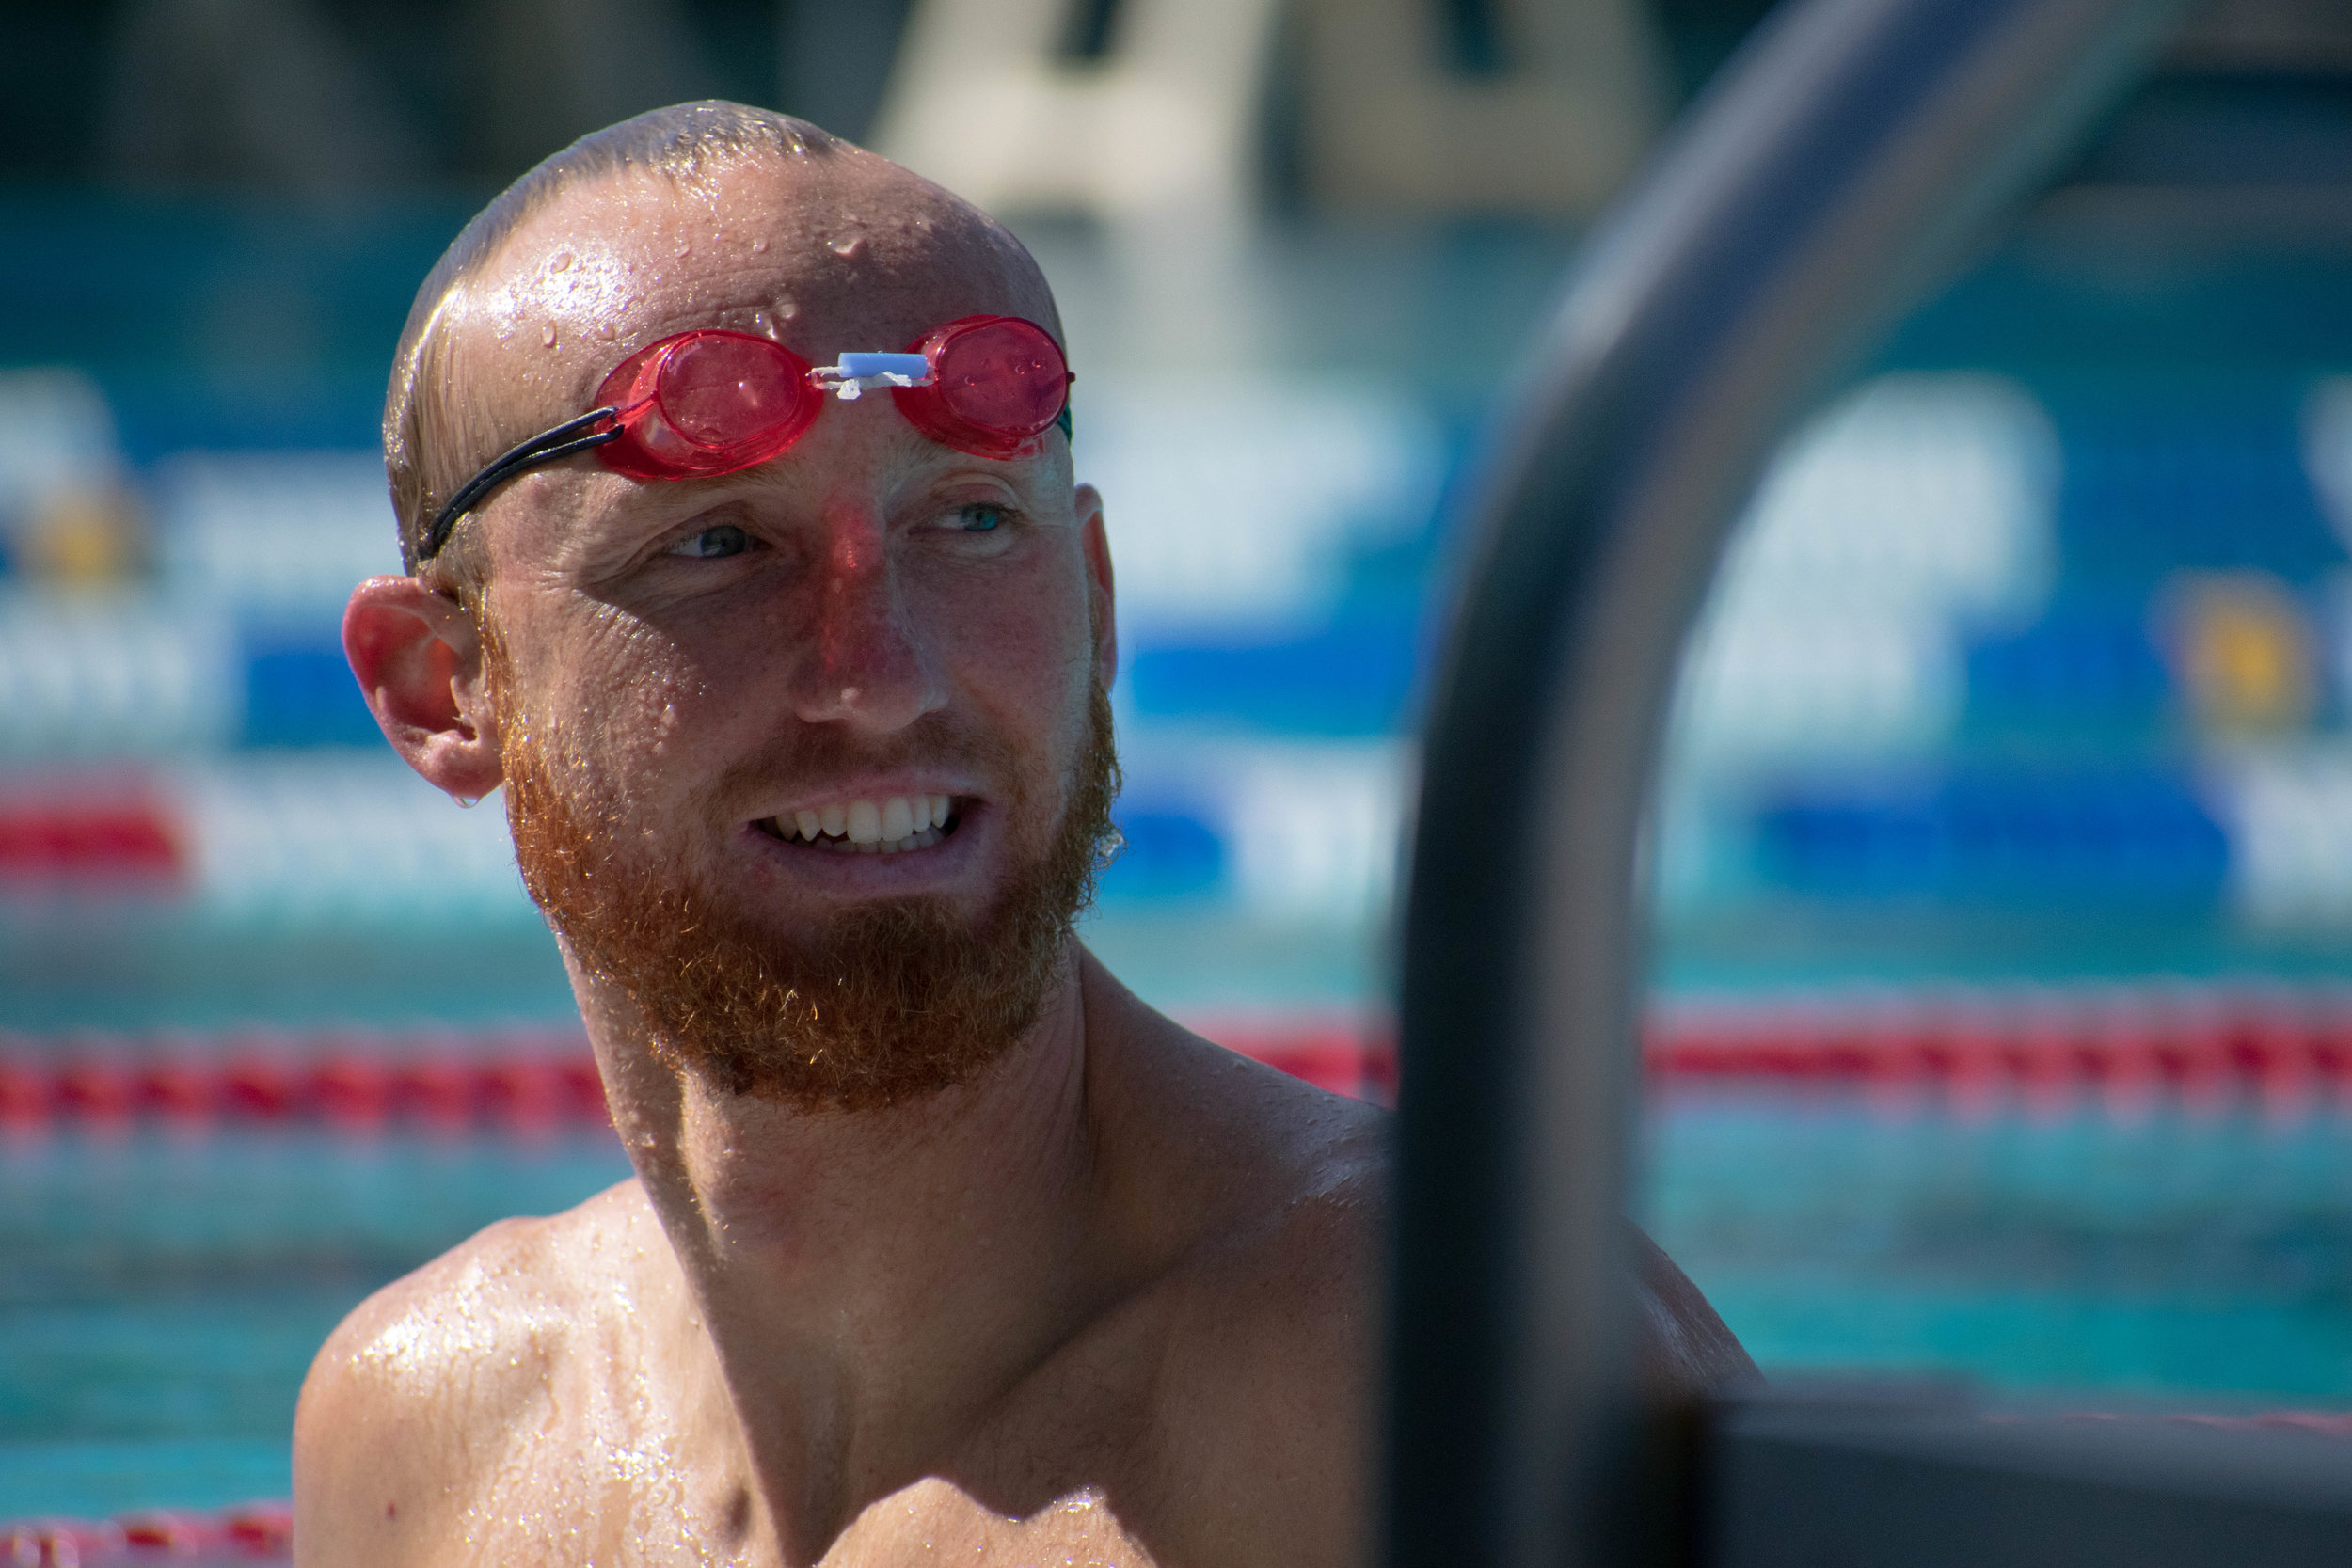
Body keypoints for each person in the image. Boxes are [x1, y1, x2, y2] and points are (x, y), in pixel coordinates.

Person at [295, 101, 1752, 1568]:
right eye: (718, 546)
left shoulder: (1407, 1376)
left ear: (1098, 601)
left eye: (973, 522)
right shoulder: (432, 1439)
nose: (879, 677)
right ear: (442, 687)